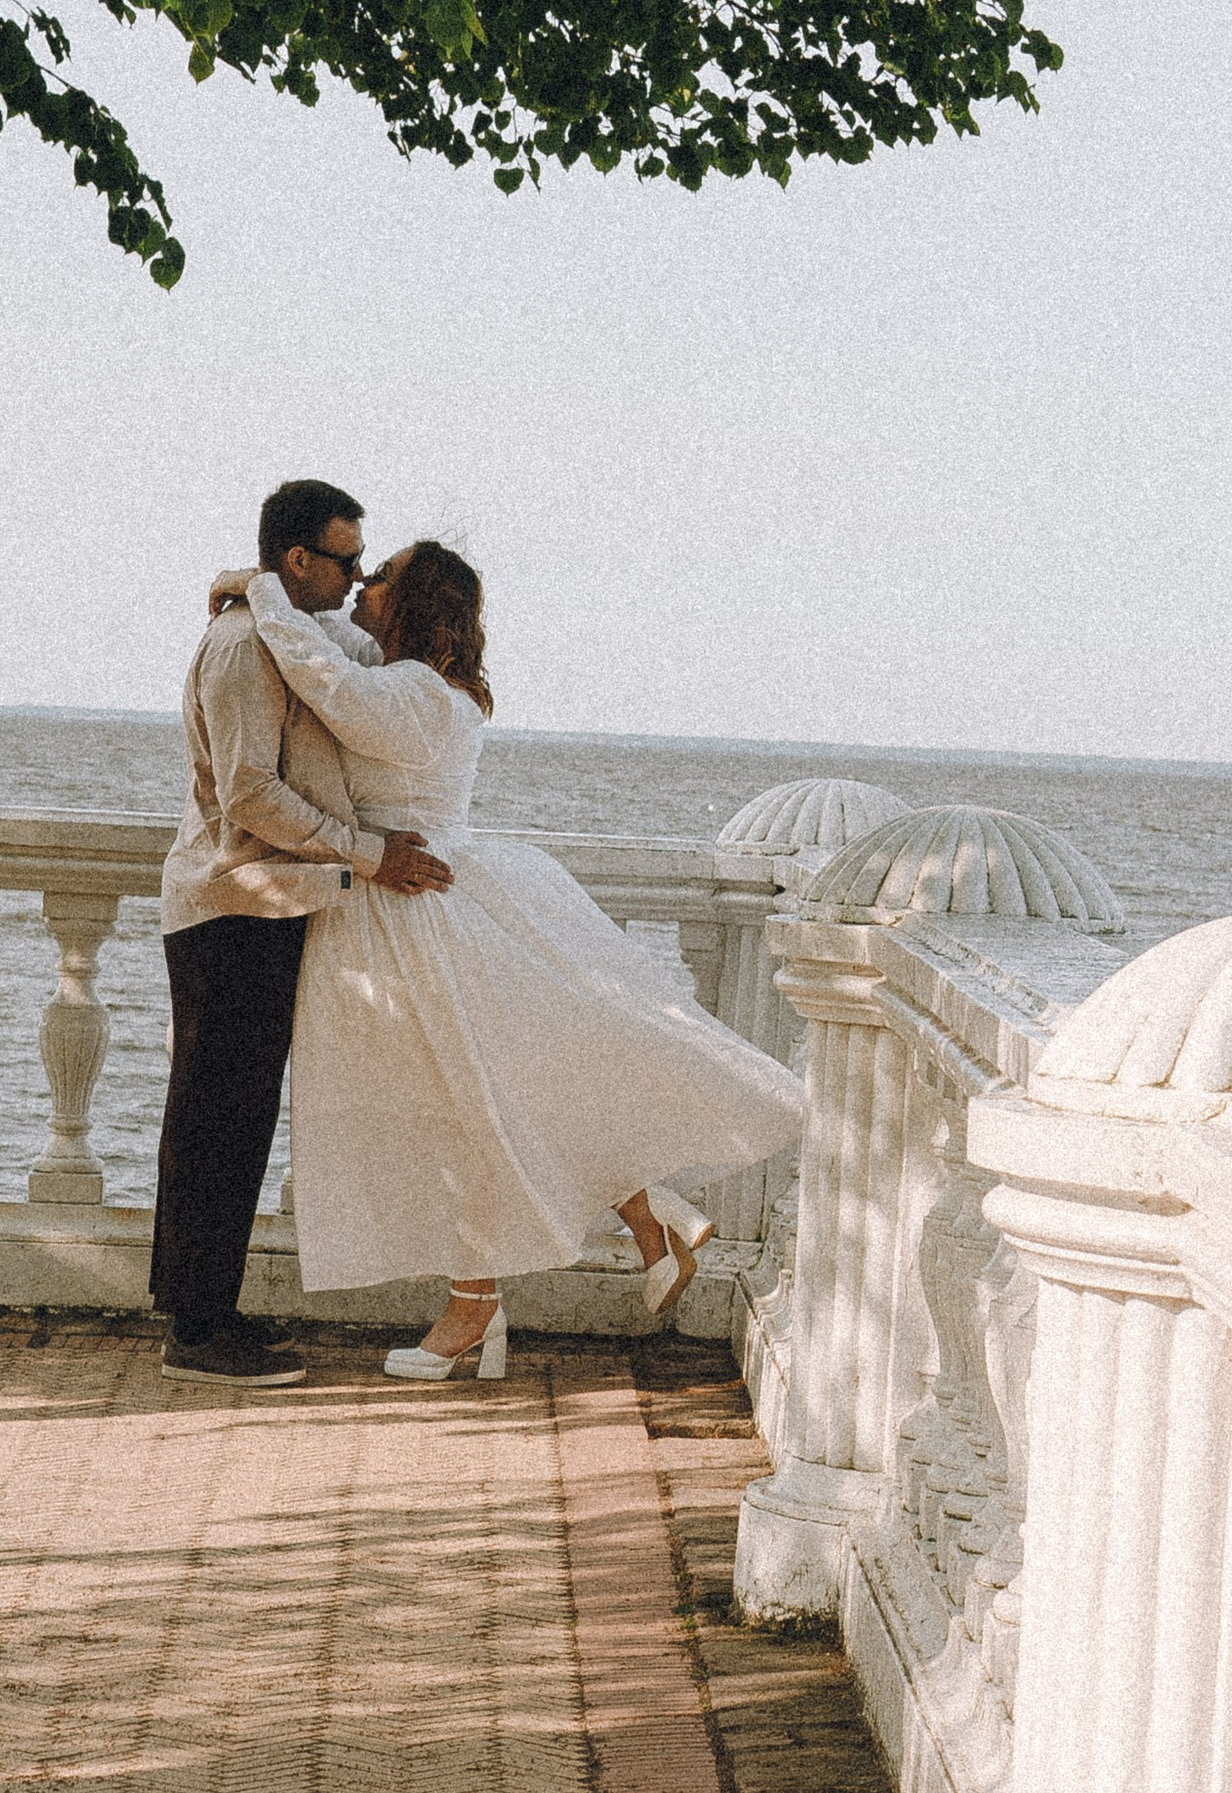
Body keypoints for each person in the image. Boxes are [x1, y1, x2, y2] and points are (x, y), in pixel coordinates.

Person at [234, 543, 806, 1380]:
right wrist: (270, 598)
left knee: (458, 1113)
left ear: (412, 603)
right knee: (476, 1103)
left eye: (380, 576)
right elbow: (336, 655)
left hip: (410, 913)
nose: (362, 582)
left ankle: (487, 1300)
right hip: (422, 903)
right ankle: (629, 1224)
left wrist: (258, 590)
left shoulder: (410, 691)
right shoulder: (432, 686)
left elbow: (323, 678)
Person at [152, 478, 455, 1386]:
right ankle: (197, 1332)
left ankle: (206, 1315)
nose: (359, 576)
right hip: (231, 903)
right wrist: (368, 855)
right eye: (347, 559)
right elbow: (249, 793)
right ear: (297, 559)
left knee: (233, 1122)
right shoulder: (245, 645)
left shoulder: (288, 631)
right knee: (215, 1121)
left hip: (269, 901)